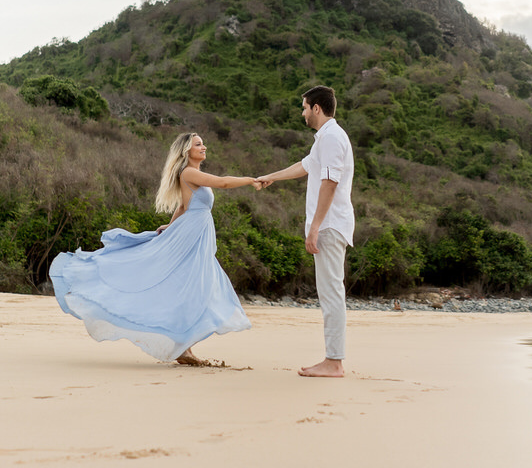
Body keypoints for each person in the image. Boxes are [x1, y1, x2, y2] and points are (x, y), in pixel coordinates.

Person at [49, 133, 257, 365]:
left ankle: (184, 347)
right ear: (186, 151)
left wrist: (170, 225)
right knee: (189, 285)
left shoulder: (191, 174)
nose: (204, 147)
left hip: (195, 233)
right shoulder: (189, 172)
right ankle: (183, 348)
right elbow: (223, 182)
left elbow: (183, 206)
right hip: (190, 235)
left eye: (202, 144)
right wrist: (251, 180)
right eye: (198, 144)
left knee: (194, 287)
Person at [259, 85, 354, 378]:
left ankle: (334, 362)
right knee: (330, 292)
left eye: (304, 108)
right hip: (328, 224)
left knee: (331, 292)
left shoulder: (332, 137)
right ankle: (333, 360)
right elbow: (305, 166)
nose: (302, 113)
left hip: (329, 225)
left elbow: (330, 183)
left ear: (316, 108)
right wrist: (271, 177)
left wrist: (315, 227)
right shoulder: (324, 138)